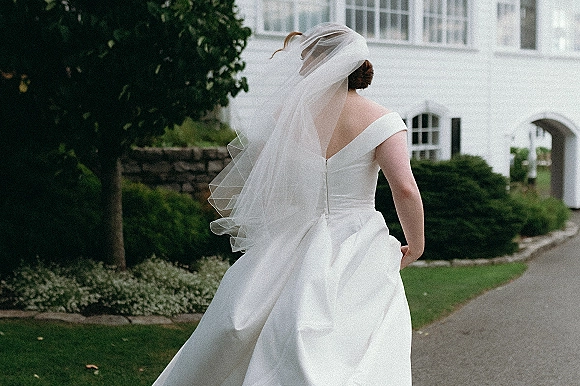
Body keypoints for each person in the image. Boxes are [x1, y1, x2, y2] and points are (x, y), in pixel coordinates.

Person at [153, 22, 424, 386]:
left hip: (293, 236)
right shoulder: (383, 120)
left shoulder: (287, 118)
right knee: (363, 341)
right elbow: (404, 188)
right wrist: (416, 244)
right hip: (359, 243)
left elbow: (269, 187)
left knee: (256, 329)